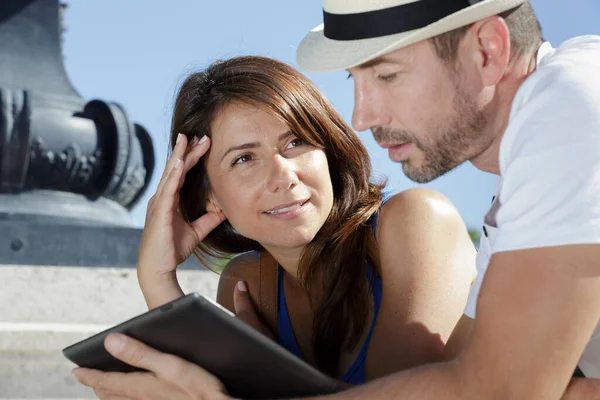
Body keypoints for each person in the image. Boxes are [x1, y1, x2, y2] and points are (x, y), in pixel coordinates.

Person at [72, 0, 600, 398]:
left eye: (387, 74)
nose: (362, 117)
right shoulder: (513, 199)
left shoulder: (571, 101)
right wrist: (159, 286)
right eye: (356, 79)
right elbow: (476, 384)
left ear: (489, 49)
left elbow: (493, 390)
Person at [72, 55, 477, 395]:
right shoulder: (250, 285)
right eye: (244, 158)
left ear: (328, 151)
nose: (284, 175)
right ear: (209, 196)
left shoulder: (417, 221)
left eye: (296, 142)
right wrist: (158, 280)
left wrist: (266, 380)